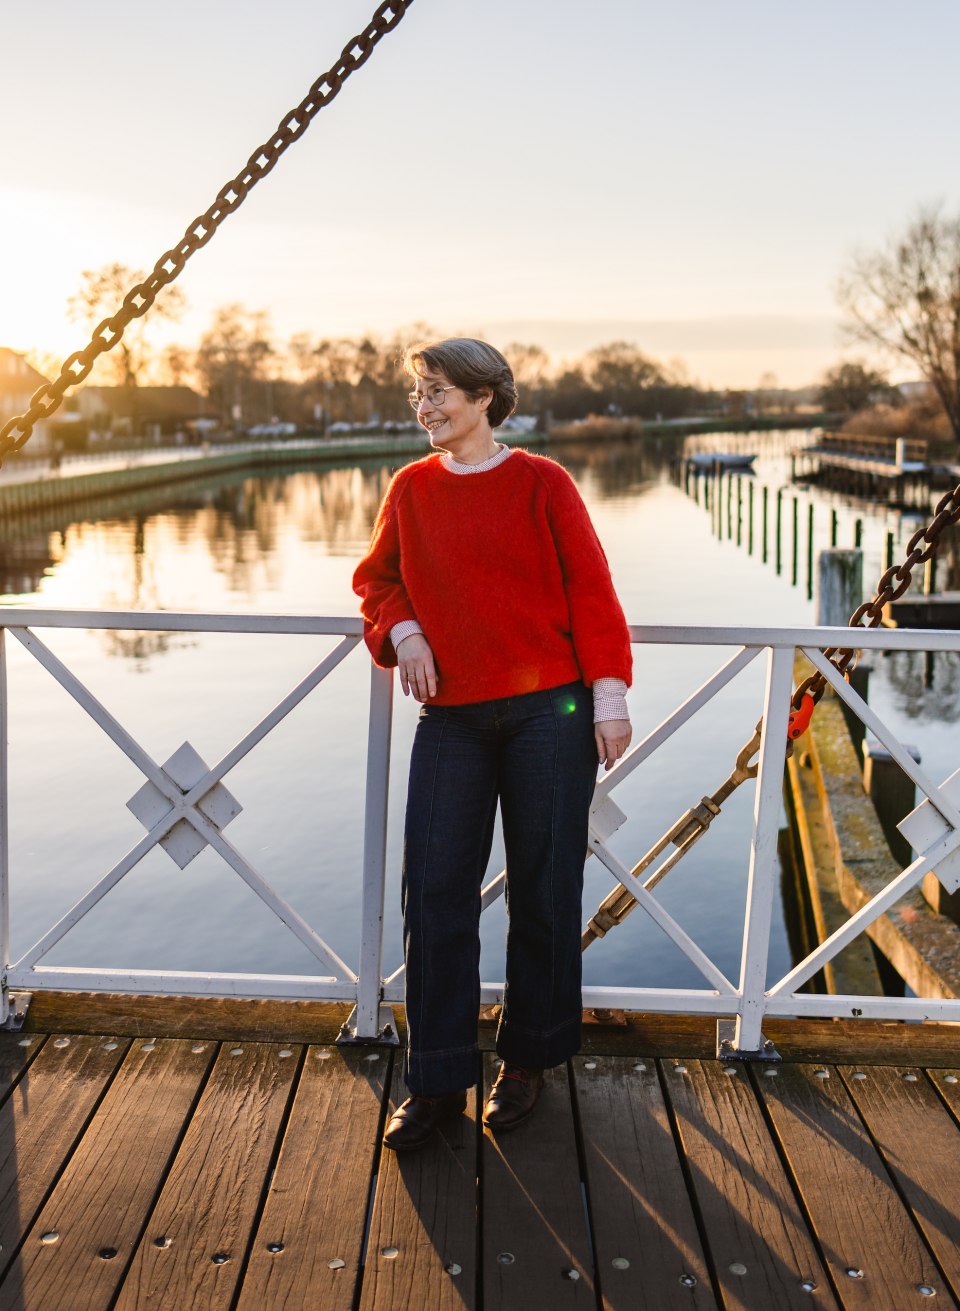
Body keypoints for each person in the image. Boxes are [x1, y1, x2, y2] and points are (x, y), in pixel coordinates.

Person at [352, 338, 632, 1152]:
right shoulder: (410, 489)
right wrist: (404, 631)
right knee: (435, 890)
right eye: (419, 392)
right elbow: (377, 580)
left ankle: (528, 1059)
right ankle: (437, 1076)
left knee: (545, 889)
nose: (425, 406)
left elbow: (591, 589)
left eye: (439, 391)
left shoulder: (544, 482)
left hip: (552, 713)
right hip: (454, 718)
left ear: (484, 398)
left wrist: (609, 695)